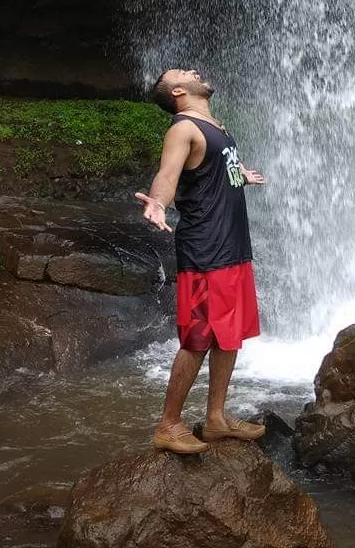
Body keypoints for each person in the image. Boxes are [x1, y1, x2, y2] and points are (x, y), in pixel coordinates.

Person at [136, 68, 266, 454]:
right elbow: (168, 175)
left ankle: (216, 419)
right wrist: (158, 203)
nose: (194, 71)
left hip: (232, 245)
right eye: (184, 72)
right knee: (198, 338)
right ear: (177, 90)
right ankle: (169, 425)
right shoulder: (183, 128)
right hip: (206, 249)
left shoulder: (215, 126)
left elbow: (208, 170)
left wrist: (239, 174)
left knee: (229, 335)